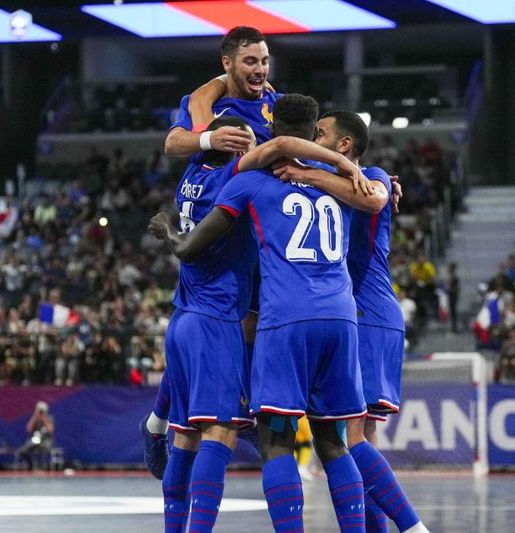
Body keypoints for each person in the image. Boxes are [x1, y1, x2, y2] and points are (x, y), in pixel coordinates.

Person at [150, 94, 380, 533]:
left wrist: (169, 229)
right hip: (340, 317)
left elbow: (191, 246)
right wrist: (352, 168)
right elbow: (374, 199)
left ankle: (155, 426)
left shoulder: (241, 181)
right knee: (334, 441)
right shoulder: (348, 183)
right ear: (315, 135)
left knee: (262, 439)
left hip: (269, 319)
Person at [142, 25, 283, 482]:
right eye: (250, 62)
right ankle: (164, 423)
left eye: (263, 61)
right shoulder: (209, 100)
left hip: (257, 235)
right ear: (227, 64)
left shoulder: (272, 102)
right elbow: (173, 143)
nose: (259, 69)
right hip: (221, 228)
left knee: (251, 320)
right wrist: (209, 139)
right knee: (219, 325)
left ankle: (171, 420)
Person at [280, 110, 428, 532]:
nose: (312, 137)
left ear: (345, 146)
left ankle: (411, 527)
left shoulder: (372, 175)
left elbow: (376, 195)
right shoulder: (327, 184)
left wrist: (306, 175)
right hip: (359, 315)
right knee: (358, 441)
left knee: (349, 440)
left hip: (366, 313)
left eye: (321, 133)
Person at [17, 401, 54, 470]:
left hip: (45, 441)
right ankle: (30, 465)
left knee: (41, 450)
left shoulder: (48, 419)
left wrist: (44, 418)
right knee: (23, 451)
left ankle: (42, 468)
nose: (41, 413)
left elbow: (50, 430)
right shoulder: (35, 419)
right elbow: (29, 428)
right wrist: (35, 417)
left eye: (42, 411)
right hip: (34, 441)